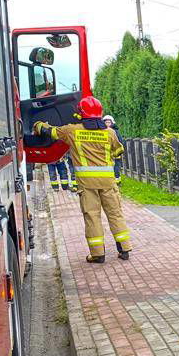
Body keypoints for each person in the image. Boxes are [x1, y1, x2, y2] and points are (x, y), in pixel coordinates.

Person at [34, 97, 132, 263]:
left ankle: (98, 254)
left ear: (81, 113)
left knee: (92, 216)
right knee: (115, 214)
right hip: (108, 182)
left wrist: (38, 125)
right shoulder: (110, 132)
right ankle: (124, 249)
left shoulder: (72, 131)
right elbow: (119, 150)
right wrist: (107, 158)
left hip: (87, 184)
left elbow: (51, 131)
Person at [103, 115, 124, 184]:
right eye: (106, 122)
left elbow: (120, 141)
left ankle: (117, 181)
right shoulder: (101, 131)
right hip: (106, 154)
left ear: (112, 123)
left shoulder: (116, 131)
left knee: (116, 167)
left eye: (109, 122)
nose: (108, 124)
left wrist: (118, 150)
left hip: (115, 152)